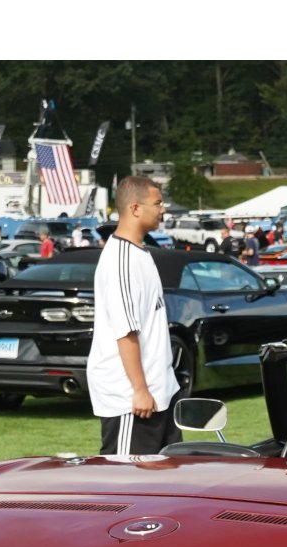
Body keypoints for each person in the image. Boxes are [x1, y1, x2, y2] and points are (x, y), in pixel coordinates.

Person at [89, 176, 179, 457]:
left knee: (167, 485)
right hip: (132, 400)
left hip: (159, 393)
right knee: (130, 486)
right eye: (157, 203)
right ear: (135, 208)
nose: (162, 209)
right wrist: (139, 390)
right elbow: (125, 332)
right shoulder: (121, 260)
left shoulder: (140, 252)